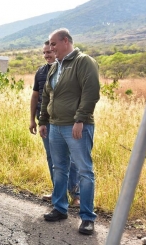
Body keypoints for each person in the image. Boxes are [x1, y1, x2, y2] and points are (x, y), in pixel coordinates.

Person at [38, 28, 100, 235]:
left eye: (54, 44)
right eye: (50, 45)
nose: (51, 48)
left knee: (84, 170)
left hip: (76, 126)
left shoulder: (84, 62)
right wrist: (43, 121)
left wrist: (80, 119)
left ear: (66, 41)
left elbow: (91, 92)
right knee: (59, 168)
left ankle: (87, 217)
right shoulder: (55, 67)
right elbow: (47, 96)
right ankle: (60, 208)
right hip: (55, 126)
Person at [29, 41, 80, 206]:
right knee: (52, 158)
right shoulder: (41, 72)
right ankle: (58, 193)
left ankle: (76, 194)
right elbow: (35, 97)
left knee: (70, 159)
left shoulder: (68, 69)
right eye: (44, 52)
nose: (47, 55)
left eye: (49, 52)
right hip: (45, 121)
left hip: (65, 121)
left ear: (56, 50)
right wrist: (32, 120)